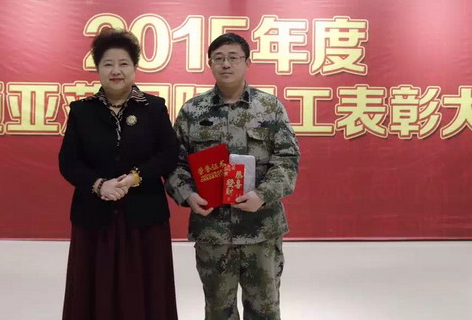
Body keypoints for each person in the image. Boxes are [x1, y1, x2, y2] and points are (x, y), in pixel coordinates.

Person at [166, 33, 300, 320]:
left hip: (261, 229)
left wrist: (262, 195)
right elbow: (174, 164)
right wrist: (188, 195)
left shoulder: (270, 107)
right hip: (213, 231)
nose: (226, 64)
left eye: (233, 58)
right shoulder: (192, 111)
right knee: (218, 311)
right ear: (210, 63)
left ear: (247, 62)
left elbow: (287, 160)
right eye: (219, 58)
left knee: (264, 311)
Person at [59, 29, 179, 320]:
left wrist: (136, 177)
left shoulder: (154, 108)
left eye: (123, 63)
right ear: (98, 69)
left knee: (144, 291)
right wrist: (99, 184)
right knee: (94, 290)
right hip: (94, 216)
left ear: (134, 67)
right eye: (108, 64)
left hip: (144, 216)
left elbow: (168, 154)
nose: (116, 71)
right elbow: (69, 161)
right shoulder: (82, 111)